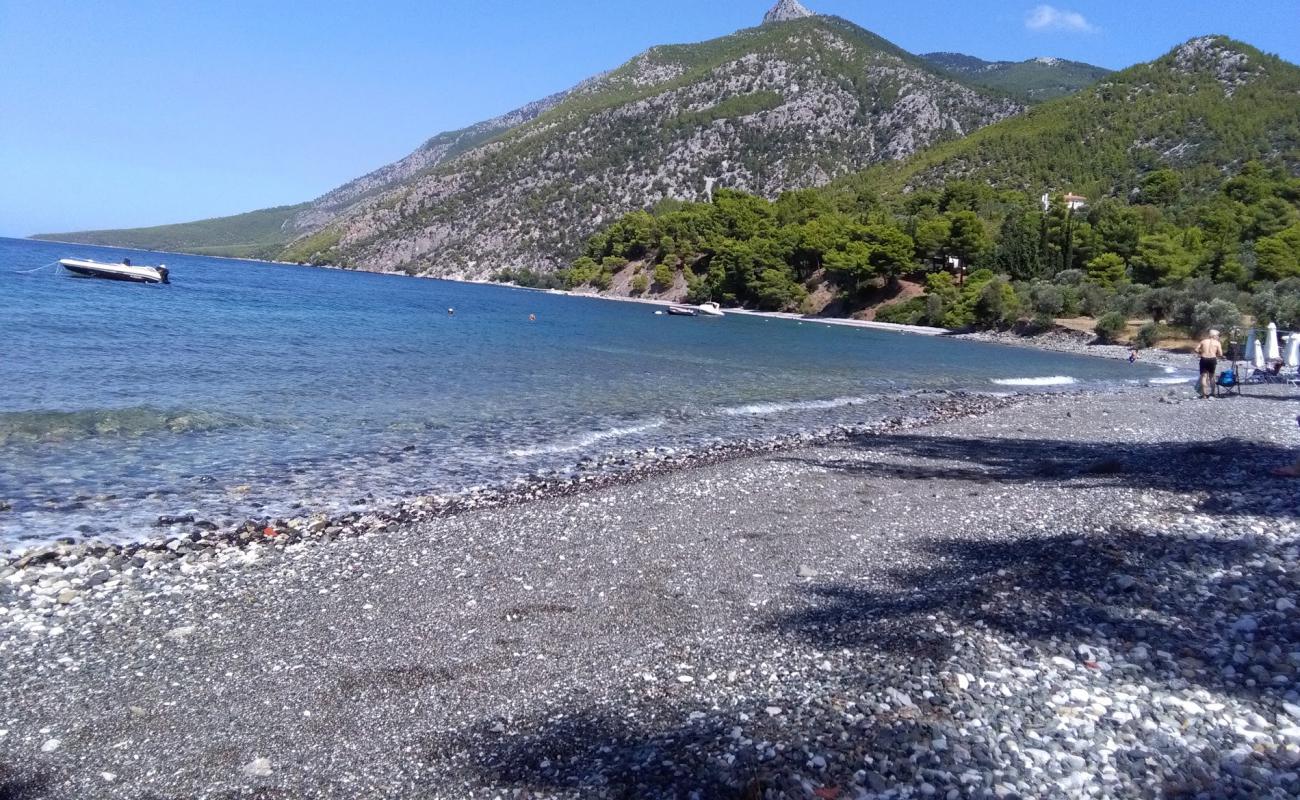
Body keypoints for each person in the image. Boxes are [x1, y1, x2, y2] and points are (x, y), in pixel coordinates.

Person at [1194, 329, 1223, 398]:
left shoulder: (1203, 341)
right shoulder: (1217, 343)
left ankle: (1204, 394)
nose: (1218, 337)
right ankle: (1212, 393)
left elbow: (1196, 349)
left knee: (1204, 377)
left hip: (1204, 359)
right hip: (1212, 359)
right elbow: (1220, 354)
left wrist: (1201, 353)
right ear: (1214, 336)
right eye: (1218, 335)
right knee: (1212, 377)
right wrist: (1216, 355)